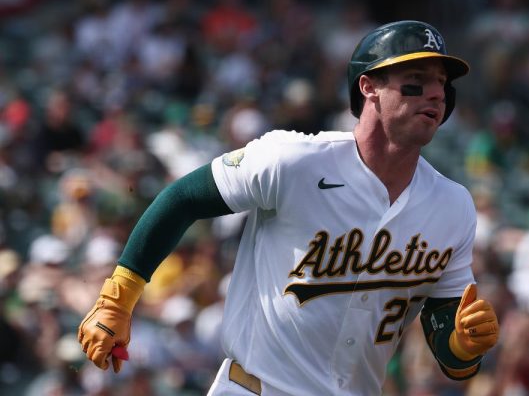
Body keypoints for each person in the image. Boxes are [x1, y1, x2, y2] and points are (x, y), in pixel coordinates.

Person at [77, 20, 499, 395]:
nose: (435, 93)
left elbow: (449, 340)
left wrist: (463, 345)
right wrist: (118, 299)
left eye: (443, 83)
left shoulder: (452, 204)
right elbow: (181, 199)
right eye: (416, 79)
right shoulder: (295, 160)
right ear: (368, 86)